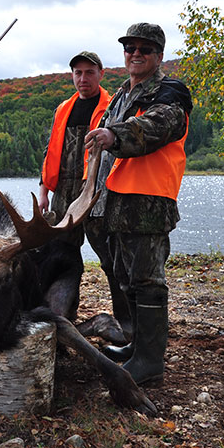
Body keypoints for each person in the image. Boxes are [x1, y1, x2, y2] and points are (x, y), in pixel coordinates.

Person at [84, 23, 192, 385]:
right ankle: (135, 347)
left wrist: (115, 134)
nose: (135, 53)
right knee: (126, 278)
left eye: (144, 48)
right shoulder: (120, 95)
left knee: (148, 282)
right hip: (117, 202)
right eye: (130, 47)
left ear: (159, 55)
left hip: (149, 200)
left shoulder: (170, 92)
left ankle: (150, 362)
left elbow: (157, 127)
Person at [37, 51, 132, 337]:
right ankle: (62, 312)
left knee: (110, 258)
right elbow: (49, 152)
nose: (83, 78)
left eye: (89, 72)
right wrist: (44, 191)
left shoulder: (111, 107)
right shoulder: (63, 108)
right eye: (77, 73)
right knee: (60, 256)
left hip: (96, 192)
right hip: (62, 194)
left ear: (101, 74)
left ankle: (126, 321)